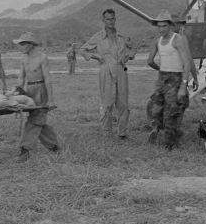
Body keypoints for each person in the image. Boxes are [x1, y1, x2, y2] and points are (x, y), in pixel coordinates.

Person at [80, 8, 136, 139]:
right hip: (106, 71)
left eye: (112, 18)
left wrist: (128, 56)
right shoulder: (98, 37)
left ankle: (122, 132)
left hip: (121, 70)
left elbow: (133, 48)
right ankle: (107, 132)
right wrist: (96, 56)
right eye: (107, 19)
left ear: (115, 19)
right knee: (107, 102)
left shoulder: (122, 37)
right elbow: (83, 50)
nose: (110, 21)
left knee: (123, 102)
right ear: (103, 20)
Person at [147, 10, 191, 150]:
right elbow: (149, 61)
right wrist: (161, 69)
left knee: (171, 111)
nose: (161, 29)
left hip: (176, 78)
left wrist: (183, 86)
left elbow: (187, 63)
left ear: (170, 25)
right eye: (159, 26)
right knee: (155, 108)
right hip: (163, 77)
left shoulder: (177, 39)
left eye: (164, 26)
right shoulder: (157, 41)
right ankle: (165, 132)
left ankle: (169, 144)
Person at [13, 32, 59, 162]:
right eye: (19, 44)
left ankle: (25, 150)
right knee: (39, 120)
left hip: (41, 89)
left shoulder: (42, 58)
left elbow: (48, 79)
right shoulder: (23, 59)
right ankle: (54, 146)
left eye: (22, 44)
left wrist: (51, 99)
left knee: (34, 120)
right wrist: (16, 93)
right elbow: (21, 77)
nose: (20, 47)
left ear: (30, 45)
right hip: (29, 90)